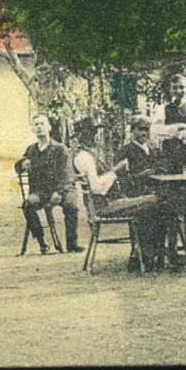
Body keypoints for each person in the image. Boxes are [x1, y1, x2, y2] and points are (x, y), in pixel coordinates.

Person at [75, 114, 168, 267]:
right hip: (106, 204)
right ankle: (146, 253)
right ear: (79, 136)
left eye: (93, 132)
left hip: (113, 199)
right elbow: (97, 187)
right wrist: (116, 171)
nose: (94, 136)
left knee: (158, 202)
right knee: (156, 201)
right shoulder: (84, 157)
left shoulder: (90, 155)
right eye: (88, 133)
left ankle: (148, 253)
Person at [18, 114, 80, 255]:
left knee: (71, 205)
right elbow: (19, 165)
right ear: (33, 129)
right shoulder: (31, 150)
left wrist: (59, 192)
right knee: (28, 205)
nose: (39, 127)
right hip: (42, 191)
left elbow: (67, 174)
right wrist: (22, 164)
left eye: (42, 124)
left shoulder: (60, 149)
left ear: (49, 127)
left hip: (63, 189)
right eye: (36, 125)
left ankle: (72, 244)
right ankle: (42, 242)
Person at [149, 71, 186, 174]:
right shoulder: (162, 109)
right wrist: (180, 127)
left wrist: (168, 131)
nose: (178, 91)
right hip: (169, 155)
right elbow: (156, 131)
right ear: (170, 90)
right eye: (175, 88)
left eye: (182, 87)